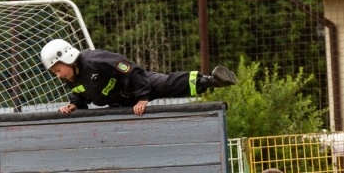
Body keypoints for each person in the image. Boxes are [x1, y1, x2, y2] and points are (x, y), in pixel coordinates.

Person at [39, 39, 237, 116]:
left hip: (137, 85)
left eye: (58, 70)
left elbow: (131, 69)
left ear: (68, 59)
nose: (58, 76)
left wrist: (143, 96)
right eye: (55, 73)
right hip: (119, 105)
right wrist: (74, 104)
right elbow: (81, 95)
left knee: (168, 84)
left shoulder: (95, 60)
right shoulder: (70, 79)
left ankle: (212, 80)